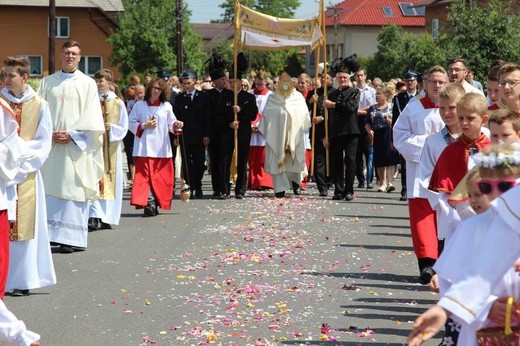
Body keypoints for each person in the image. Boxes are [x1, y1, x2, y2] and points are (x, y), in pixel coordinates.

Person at [408, 143, 520, 346]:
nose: (495, 196)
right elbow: (470, 277)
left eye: (505, 187)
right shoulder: (473, 228)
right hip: (483, 327)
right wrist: (483, 306)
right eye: (485, 188)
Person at [38, 40, 105, 253]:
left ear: (80, 56)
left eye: (74, 53)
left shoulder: (87, 84)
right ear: (61, 55)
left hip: (76, 146)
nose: (70, 56)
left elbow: (92, 117)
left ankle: (71, 239)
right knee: (50, 186)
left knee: (73, 188)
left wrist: (72, 135)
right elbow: (38, 113)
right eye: (66, 52)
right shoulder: (47, 82)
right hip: (51, 145)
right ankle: (49, 236)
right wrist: (48, 134)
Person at [1, 57, 56, 297]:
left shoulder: (40, 104)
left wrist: (20, 157)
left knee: (22, 228)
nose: (6, 80)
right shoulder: (0, 101)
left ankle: (22, 280)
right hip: (2, 174)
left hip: (26, 173)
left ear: (24, 77)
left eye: (11, 75)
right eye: (4, 75)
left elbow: (45, 141)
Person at [393, 65, 447, 284]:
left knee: (445, 218)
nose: (436, 86)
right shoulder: (414, 107)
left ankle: (444, 264)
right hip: (420, 170)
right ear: (425, 84)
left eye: (441, 82)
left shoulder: (453, 107)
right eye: (432, 81)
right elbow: (399, 137)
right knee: (422, 218)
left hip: (446, 171)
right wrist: (427, 145)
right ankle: (426, 264)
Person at [429, 93, 491, 244]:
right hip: (459, 218)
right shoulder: (451, 151)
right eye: (461, 118)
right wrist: (459, 208)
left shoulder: (492, 148)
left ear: (483, 120)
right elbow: (441, 191)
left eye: (470, 118)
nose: (464, 123)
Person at [128, 78, 183, 216]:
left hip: (161, 148)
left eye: (160, 89)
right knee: (144, 178)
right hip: (144, 148)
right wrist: (144, 125)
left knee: (160, 178)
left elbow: (171, 123)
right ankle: (149, 203)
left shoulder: (166, 106)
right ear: (149, 89)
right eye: (155, 88)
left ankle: (157, 201)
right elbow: (130, 123)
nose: (157, 91)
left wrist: (177, 125)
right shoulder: (139, 105)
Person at [417, 83, 464, 239]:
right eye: (442, 108)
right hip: (447, 207)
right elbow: (424, 175)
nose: (447, 113)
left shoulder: (480, 137)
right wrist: (442, 200)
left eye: (452, 107)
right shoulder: (434, 142)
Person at [87, 69, 129, 230]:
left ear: (109, 83)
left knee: (110, 179)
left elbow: (124, 126)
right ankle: (93, 215)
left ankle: (107, 216)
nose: (98, 84)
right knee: (93, 178)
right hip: (94, 145)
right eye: (96, 81)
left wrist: (112, 127)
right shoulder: (90, 101)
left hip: (110, 147)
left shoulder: (117, 102)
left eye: (101, 81)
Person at [259, 72, 311, 198]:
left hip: (293, 134)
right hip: (277, 135)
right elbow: (266, 115)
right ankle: (279, 188)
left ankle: (295, 184)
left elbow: (304, 115)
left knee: (293, 159)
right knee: (278, 161)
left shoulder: (298, 97)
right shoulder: (273, 97)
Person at [173, 70, 210, 199]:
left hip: (199, 135)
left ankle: (198, 184)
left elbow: (207, 117)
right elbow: (176, 118)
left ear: (195, 81)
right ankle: (191, 186)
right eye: (184, 83)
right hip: (185, 135)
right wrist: (176, 136)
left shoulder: (203, 97)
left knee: (200, 163)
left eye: (188, 83)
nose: (186, 85)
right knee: (187, 162)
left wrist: (207, 134)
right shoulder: (179, 98)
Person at [325, 67, 361, 201]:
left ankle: (349, 190)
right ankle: (338, 189)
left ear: (349, 78)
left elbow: (350, 107)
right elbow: (328, 116)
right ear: (336, 79)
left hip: (351, 131)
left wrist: (333, 105)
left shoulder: (354, 92)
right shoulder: (332, 94)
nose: (342, 80)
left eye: (345, 77)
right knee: (336, 161)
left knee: (350, 160)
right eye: (340, 78)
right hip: (336, 131)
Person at [226, 70, 258, 199]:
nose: (233, 84)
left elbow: (253, 114)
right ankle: (225, 189)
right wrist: (229, 123)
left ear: (241, 83)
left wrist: (241, 110)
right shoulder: (225, 96)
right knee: (226, 160)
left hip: (243, 132)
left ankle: (240, 189)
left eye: (236, 82)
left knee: (242, 161)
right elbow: (218, 115)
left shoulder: (249, 97)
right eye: (231, 82)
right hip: (228, 133)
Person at [365, 86, 399, 193]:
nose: (376, 96)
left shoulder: (391, 106)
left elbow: (399, 120)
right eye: (376, 94)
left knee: (390, 157)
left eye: (379, 94)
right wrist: (369, 130)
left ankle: (390, 182)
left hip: (389, 133)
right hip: (377, 134)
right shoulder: (372, 108)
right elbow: (367, 122)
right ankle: (382, 183)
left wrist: (392, 122)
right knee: (379, 159)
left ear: (385, 96)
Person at [307, 72, 335, 196]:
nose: (324, 79)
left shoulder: (335, 92)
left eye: (327, 78)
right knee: (319, 159)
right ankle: (322, 186)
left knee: (332, 158)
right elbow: (304, 109)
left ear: (332, 80)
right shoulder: (314, 92)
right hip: (317, 131)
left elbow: (336, 111)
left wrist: (322, 118)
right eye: (322, 77)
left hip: (332, 130)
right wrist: (310, 101)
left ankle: (330, 181)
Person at [392, 70, 419, 201]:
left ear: (416, 81)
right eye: (407, 81)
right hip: (405, 133)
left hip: (418, 132)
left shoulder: (421, 96)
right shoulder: (398, 98)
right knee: (404, 162)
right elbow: (395, 119)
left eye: (412, 80)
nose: (409, 83)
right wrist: (394, 138)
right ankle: (405, 189)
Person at [248, 71, 274, 191]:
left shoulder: (271, 95)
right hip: (251, 129)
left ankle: (265, 181)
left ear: (266, 83)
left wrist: (262, 125)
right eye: (257, 84)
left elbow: (273, 114)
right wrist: (250, 124)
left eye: (261, 84)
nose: (259, 87)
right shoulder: (249, 94)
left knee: (264, 157)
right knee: (253, 157)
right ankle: (254, 181)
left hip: (265, 131)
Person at [354, 69, 376, 189]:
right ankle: (360, 179)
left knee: (369, 153)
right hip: (355, 123)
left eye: (361, 75)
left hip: (368, 122)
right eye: (357, 75)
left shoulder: (371, 91)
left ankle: (369, 180)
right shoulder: (353, 91)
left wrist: (359, 110)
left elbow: (373, 107)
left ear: (365, 76)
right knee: (357, 154)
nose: (359, 77)